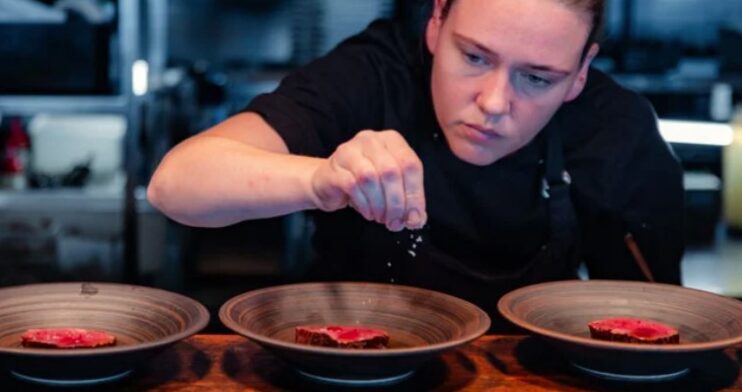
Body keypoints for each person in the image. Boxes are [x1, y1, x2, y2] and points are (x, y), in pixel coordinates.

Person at [148, 0, 684, 329]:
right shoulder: (373, 74)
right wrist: (318, 178)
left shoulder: (617, 133)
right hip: (342, 366)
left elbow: (654, 326)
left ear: (581, 72)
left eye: (538, 78)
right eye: (474, 57)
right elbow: (176, 186)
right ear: (436, 21)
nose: (495, 102)